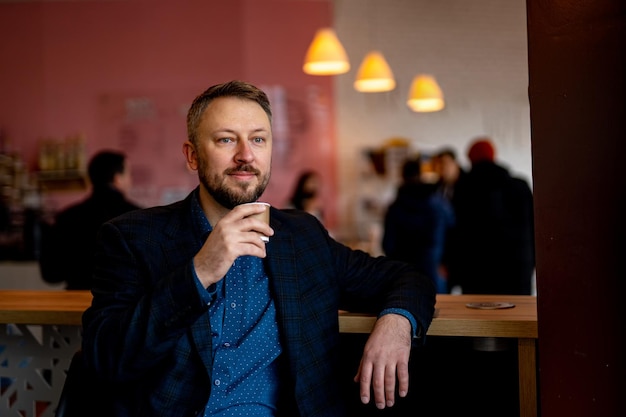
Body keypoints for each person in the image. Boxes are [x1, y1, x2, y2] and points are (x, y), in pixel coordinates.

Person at [80, 80, 436, 417]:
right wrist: (199, 272)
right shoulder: (130, 237)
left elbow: (407, 276)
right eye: (225, 140)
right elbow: (107, 358)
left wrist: (396, 324)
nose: (245, 155)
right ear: (192, 156)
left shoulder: (301, 236)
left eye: (259, 139)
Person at [39, 150, 141, 290]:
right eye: (129, 174)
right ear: (118, 179)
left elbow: (51, 274)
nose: (131, 180)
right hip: (126, 306)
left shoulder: (67, 217)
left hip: (75, 302)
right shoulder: (139, 217)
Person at [446, 137, 535, 295]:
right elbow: (534, 228)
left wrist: (454, 273)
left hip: (477, 271)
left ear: (470, 159)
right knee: (517, 316)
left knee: (479, 318)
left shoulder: (464, 189)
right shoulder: (520, 186)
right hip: (517, 269)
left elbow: (457, 233)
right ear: (494, 156)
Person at [382, 157, 455, 294]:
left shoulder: (395, 207)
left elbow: (388, 244)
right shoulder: (437, 203)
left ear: (402, 176)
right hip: (434, 269)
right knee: (438, 310)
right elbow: (452, 229)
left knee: (407, 310)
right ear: (421, 175)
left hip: (404, 273)